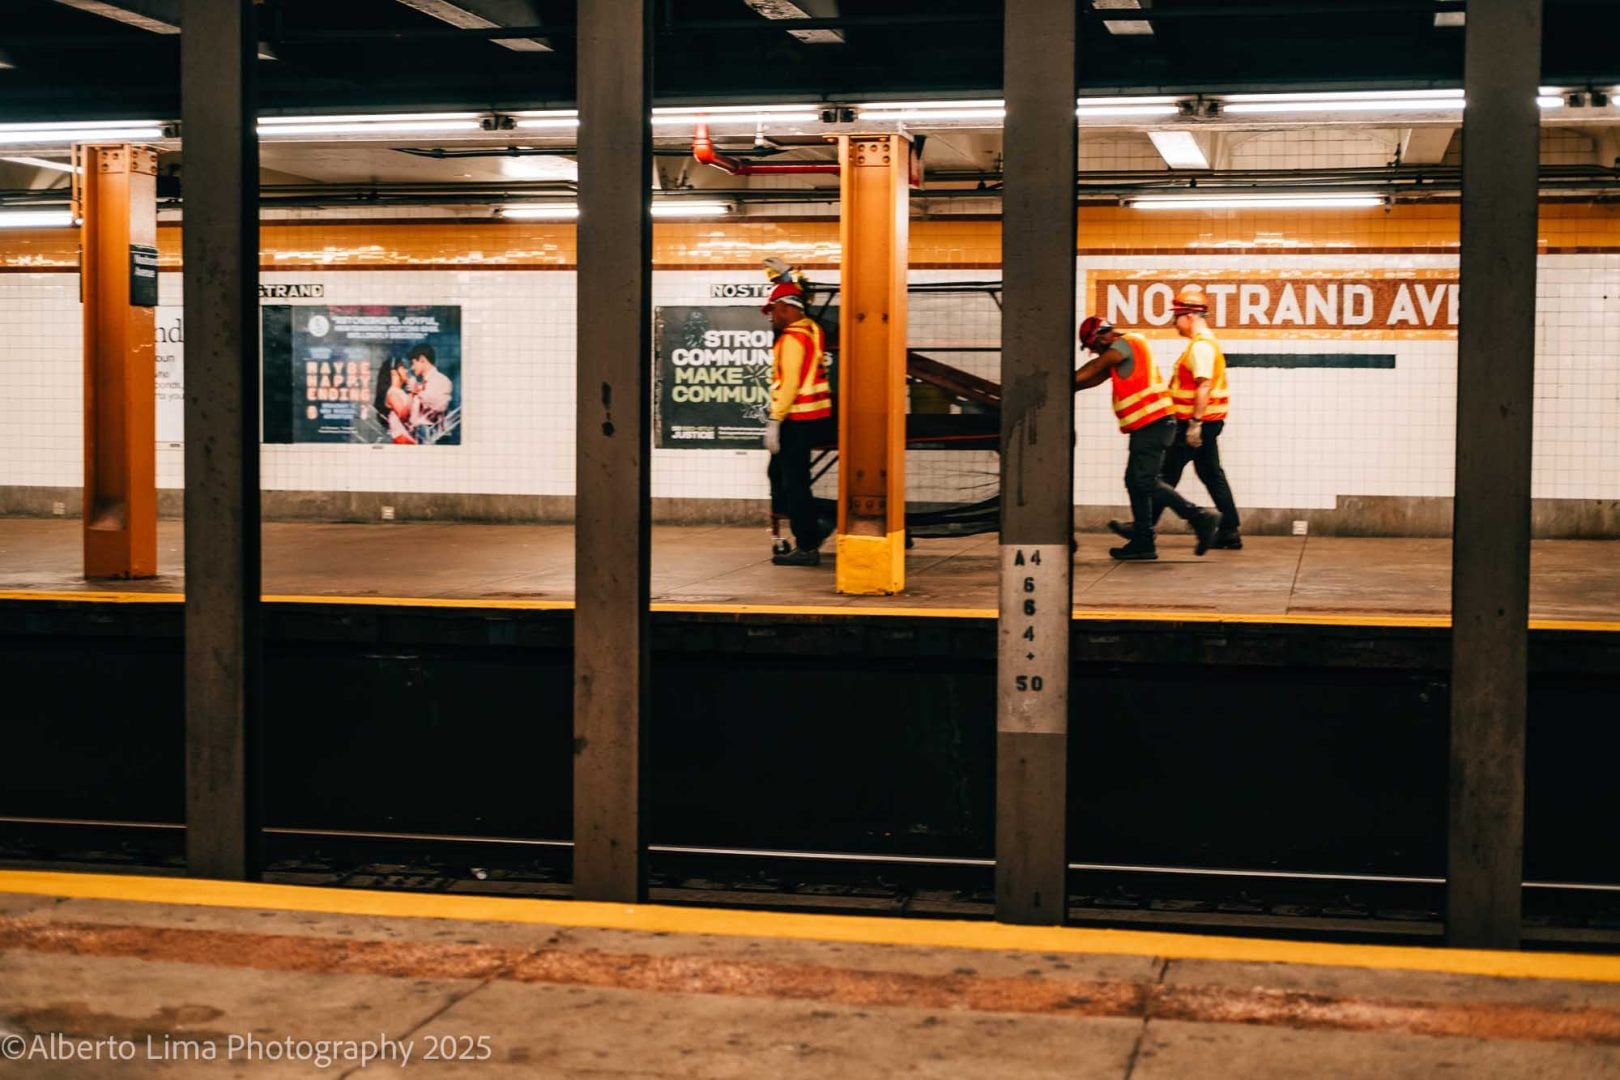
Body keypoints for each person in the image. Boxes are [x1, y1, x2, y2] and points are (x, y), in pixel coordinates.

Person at [1074, 316, 1222, 560]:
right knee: (1135, 481)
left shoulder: (1127, 343)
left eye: (1093, 347)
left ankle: (1199, 517)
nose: (1094, 352)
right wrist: (1068, 387)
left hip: (1154, 423)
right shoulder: (1118, 353)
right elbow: (1090, 378)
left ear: (1101, 336)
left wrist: (1056, 382)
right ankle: (1143, 540)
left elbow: (1094, 368)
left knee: (1145, 480)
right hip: (1148, 426)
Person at [1139, 283, 1241, 549]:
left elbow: (1203, 384)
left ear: (1190, 316)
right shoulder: (1204, 343)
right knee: (1210, 473)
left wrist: (1194, 425)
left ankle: (1143, 529)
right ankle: (1229, 530)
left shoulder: (1201, 347)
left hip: (1194, 424)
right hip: (1205, 422)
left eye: (1176, 316)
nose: (1174, 323)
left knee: (1164, 475)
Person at [761, 279, 834, 567]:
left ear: (785, 309)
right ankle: (816, 523)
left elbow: (789, 382)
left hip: (796, 419)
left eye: (774, 310)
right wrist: (788, 280)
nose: (772, 316)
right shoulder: (812, 330)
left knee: (793, 484)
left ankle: (808, 543)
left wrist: (775, 420)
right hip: (814, 417)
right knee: (781, 476)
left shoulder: (791, 339)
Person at [407, 343, 454, 441]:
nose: (412, 367)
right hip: (417, 436)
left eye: (413, 363)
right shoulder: (420, 385)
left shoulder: (442, 380)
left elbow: (440, 406)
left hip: (434, 437)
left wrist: (419, 392)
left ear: (422, 359)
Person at [372, 357, 416, 444]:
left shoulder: (400, 392)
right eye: (403, 368)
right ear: (393, 372)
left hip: (408, 438)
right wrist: (412, 393)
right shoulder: (392, 393)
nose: (406, 371)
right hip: (402, 439)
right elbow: (403, 416)